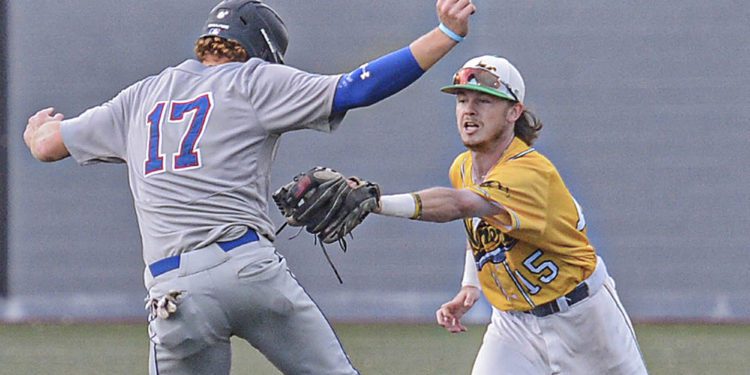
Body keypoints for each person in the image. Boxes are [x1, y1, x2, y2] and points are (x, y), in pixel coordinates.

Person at [22, 0, 476, 374]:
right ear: (262, 51)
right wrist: (446, 35)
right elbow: (356, 89)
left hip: (175, 290)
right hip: (248, 270)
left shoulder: (140, 97)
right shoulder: (253, 79)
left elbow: (46, 146)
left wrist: (39, 129)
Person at [373, 55, 648, 374]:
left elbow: (460, 205)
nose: (469, 110)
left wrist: (377, 203)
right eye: (462, 99)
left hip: (583, 320)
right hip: (513, 325)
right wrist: (470, 284)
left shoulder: (528, 172)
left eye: (484, 101)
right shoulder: (462, 167)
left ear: (514, 112)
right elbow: (476, 223)